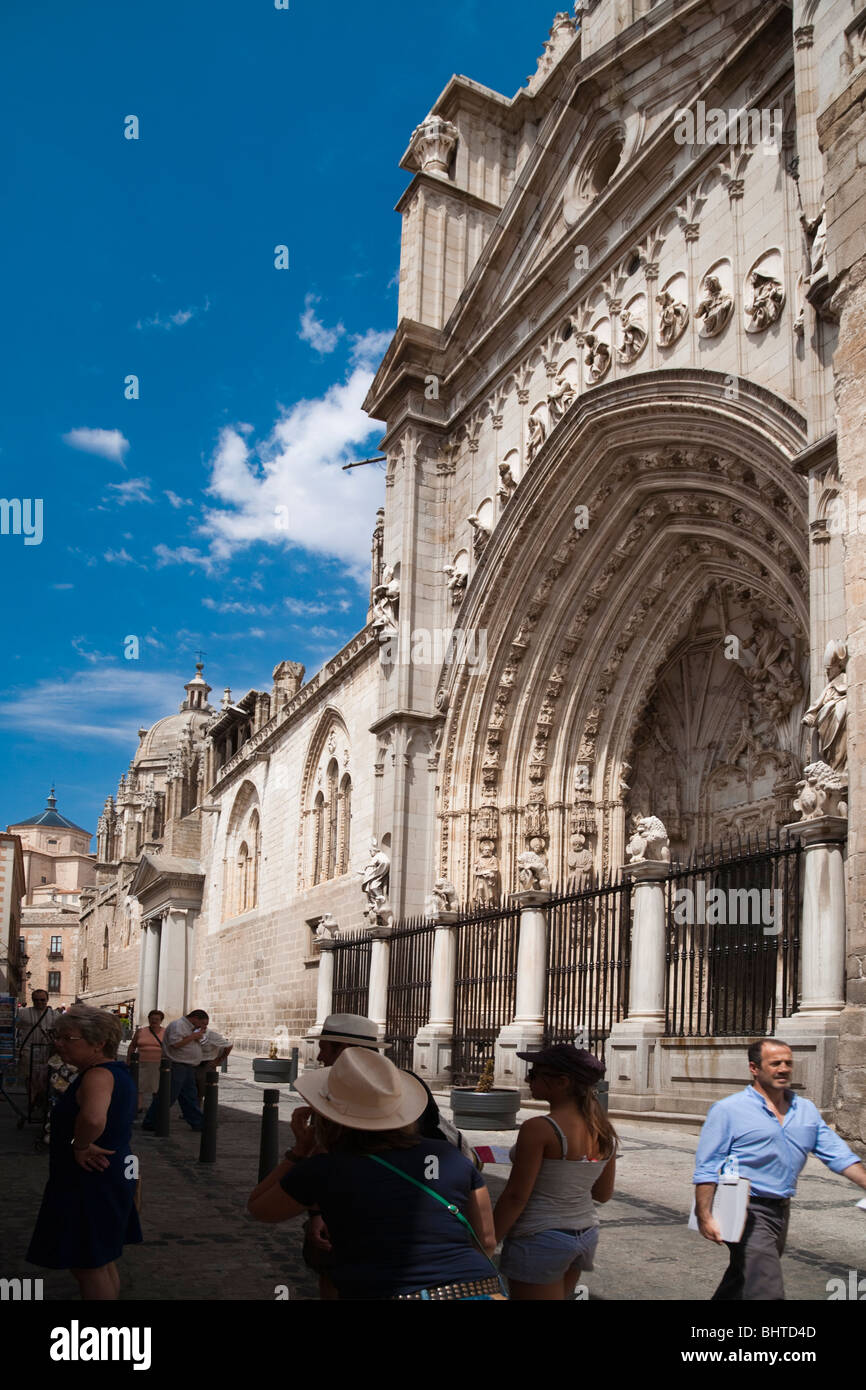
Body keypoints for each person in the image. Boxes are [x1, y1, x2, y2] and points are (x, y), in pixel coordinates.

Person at [247, 1048, 501, 1300]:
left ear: (327, 1116)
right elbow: (487, 1240)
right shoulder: (448, 1155)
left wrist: (299, 1152)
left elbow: (260, 1207)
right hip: (475, 1290)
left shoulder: (324, 1168)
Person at [693, 1039, 866, 1300]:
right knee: (766, 1287)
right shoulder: (729, 1110)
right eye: (775, 1063)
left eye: (788, 1063)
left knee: (742, 1278)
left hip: (781, 1208)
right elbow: (707, 1166)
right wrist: (704, 1215)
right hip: (745, 1209)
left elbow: (837, 1154)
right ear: (754, 1068)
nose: (783, 1069)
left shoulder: (805, 1110)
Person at [26, 1004, 142, 1299]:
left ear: (98, 1042)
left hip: (89, 1179)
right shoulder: (114, 1072)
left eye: (68, 1038)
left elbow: (93, 1118)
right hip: (106, 1174)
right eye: (58, 1036)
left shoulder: (98, 1075)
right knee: (100, 1259)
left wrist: (79, 1146)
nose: (59, 1043)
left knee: (87, 1264)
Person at [493, 1045, 617, 1301]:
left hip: (539, 1236)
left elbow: (516, 1196)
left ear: (562, 1082)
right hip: (583, 1233)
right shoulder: (604, 1130)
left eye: (536, 1073)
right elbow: (603, 1194)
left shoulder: (539, 1128)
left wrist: (486, 1242)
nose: (529, 1078)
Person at [141, 1009, 212, 1132]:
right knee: (168, 1095)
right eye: (203, 1023)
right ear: (195, 1018)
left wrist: (197, 1035)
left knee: (190, 1096)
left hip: (187, 1066)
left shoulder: (191, 1028)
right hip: (177, 1065)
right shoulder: (178, 1025)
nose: (204, 1026)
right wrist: (193, 1036)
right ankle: (151, 1121)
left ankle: (198, 1122)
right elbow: (176, 1044)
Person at [17, 989, 57, 1110]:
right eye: (36, 1000)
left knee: (45, 1078)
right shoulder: (23, 1013)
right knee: (29, 1077)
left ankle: (40, 1100)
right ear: (32, 1000)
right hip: (28, 1050)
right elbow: (16, 1027)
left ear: (47, 1000)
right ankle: (31, 1100)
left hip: (47, 1052)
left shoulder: (55, 1015)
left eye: (42, 1000)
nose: (39, 1002)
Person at [126, 1010, 165, 1114]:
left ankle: (153, 1108)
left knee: (156, 1088)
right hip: (140, 1062)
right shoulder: (141, 1032)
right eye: (152, 1019)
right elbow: (132, 1046)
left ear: (161, 1020)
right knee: (139, 1086)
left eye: (157, 1019)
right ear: (149, 1019)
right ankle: (138, 1107)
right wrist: (129, 1060)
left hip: (158, 1063)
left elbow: (169, 1049)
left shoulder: (165, 1032)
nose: (154, 1021)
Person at [194, 1024, 233, 1104]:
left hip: (206, 1065)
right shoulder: (192, 1032)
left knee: (203, 1091)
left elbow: (229, 1045)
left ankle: (201, 1113)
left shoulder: (211, 1035)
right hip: (194, 1064)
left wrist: (219, 1060)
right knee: (193, 1091)